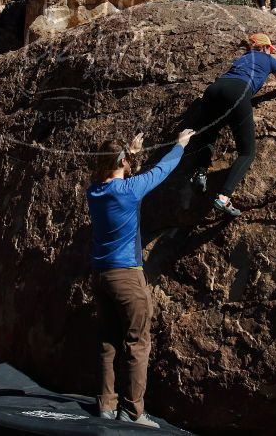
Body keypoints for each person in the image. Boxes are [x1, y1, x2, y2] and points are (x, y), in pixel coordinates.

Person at [87, 129, 196, 428]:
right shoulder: (129, 190)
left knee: (108, 342)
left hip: (100, 275)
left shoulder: (93, 191)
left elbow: (113, 173)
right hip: (127, 276)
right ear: (121, 162)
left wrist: (130, 154)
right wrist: (179, 145)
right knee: (137, 342)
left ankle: (106, 406)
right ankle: (133, 411)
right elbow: (163, 169)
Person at [190, 33, 276, 216]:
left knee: (210, 133)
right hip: (237, 91)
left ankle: (200, 173)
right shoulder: (269, 60)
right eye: (270, 49)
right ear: (266, 48)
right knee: (247, 152)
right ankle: (223, 198)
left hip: (214, 89)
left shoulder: (243, 58)